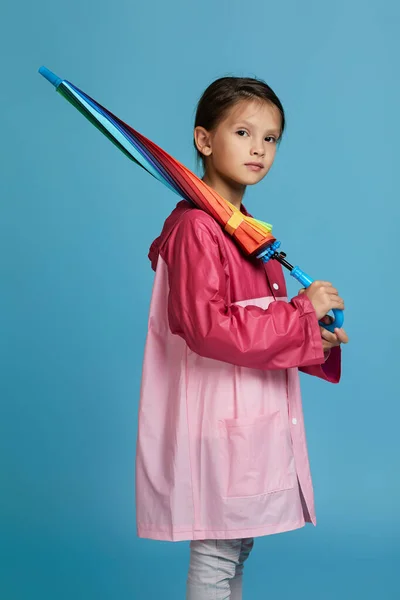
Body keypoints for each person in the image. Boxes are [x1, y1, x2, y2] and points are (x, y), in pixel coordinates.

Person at [135, 76, 349, 600]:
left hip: (247, 418)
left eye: (271, 138)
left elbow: (255, 323)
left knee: (236, 546)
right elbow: (207, 328)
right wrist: (301, 311)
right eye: (243, 132)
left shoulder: (242, 229)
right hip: (215, 422)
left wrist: (312, 337)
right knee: (216, 551)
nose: (258, 148)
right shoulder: (196, 229)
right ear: (204, 140)